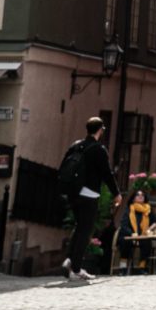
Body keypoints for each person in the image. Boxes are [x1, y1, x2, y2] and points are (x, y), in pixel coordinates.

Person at [59, 117, 115, 282]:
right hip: (89, 193)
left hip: (74, 192)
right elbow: (107, 173)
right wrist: (116, 193)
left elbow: (63, 167)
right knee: (86, 230)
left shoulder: (76, 145)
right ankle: (75, 268)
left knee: (79, 226)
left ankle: (70, 259)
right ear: (100, 130)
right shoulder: (98, 149)